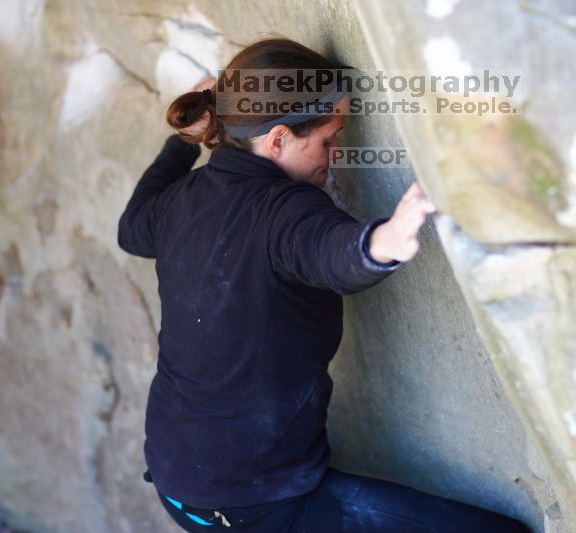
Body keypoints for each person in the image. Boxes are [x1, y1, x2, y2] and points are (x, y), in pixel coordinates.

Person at [117, 37, 530, 532]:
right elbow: (325, 250)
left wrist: (182, 143)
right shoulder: (283, 209)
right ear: (276, 140)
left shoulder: (185, 198)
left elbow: (131, 228)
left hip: (177, 478)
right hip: (255, 506)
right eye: (327, 139)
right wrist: (382, 243)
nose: (335, 153)